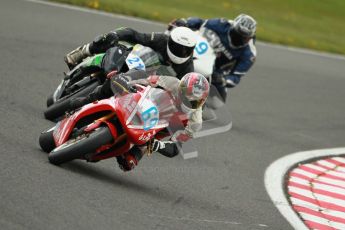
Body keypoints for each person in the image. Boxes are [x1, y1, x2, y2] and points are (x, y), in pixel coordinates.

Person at [72, 69, 209, 171]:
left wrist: (158, 146)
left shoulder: (195, 122)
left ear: (202, 102)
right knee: (113, 84)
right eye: (185, 97)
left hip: (153, 132)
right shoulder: (172, 82)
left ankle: (101, 152)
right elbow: (145, 78)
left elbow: (175, 148)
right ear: (180, 88)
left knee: (128, 164)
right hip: (145, 105)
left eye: (194, 102)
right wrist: (126, 82)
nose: (187, 102)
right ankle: (84, 102)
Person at [168, 14, 257, 104]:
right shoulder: (220, 24)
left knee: (217, 102)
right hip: (199, 53)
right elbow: (200, 22)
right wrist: (185, 22)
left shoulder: (249, 55)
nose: (241, 39)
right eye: (238, 35)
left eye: (245, 37)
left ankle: (193, 108)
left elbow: (236, 77)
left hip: (216, 72)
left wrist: (223, 80)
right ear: (232, 28)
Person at [64, 26, 197, 79]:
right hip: (137, 61)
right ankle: (83, 52)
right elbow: (135, 35)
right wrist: (115, 34)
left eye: (186, 50)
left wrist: (194, 104)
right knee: (108, 40)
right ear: (170, 41)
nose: (181, 52)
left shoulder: (188, 68)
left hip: (148, 85)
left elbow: (190, 92)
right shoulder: (161, 39)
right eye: (178, 47)